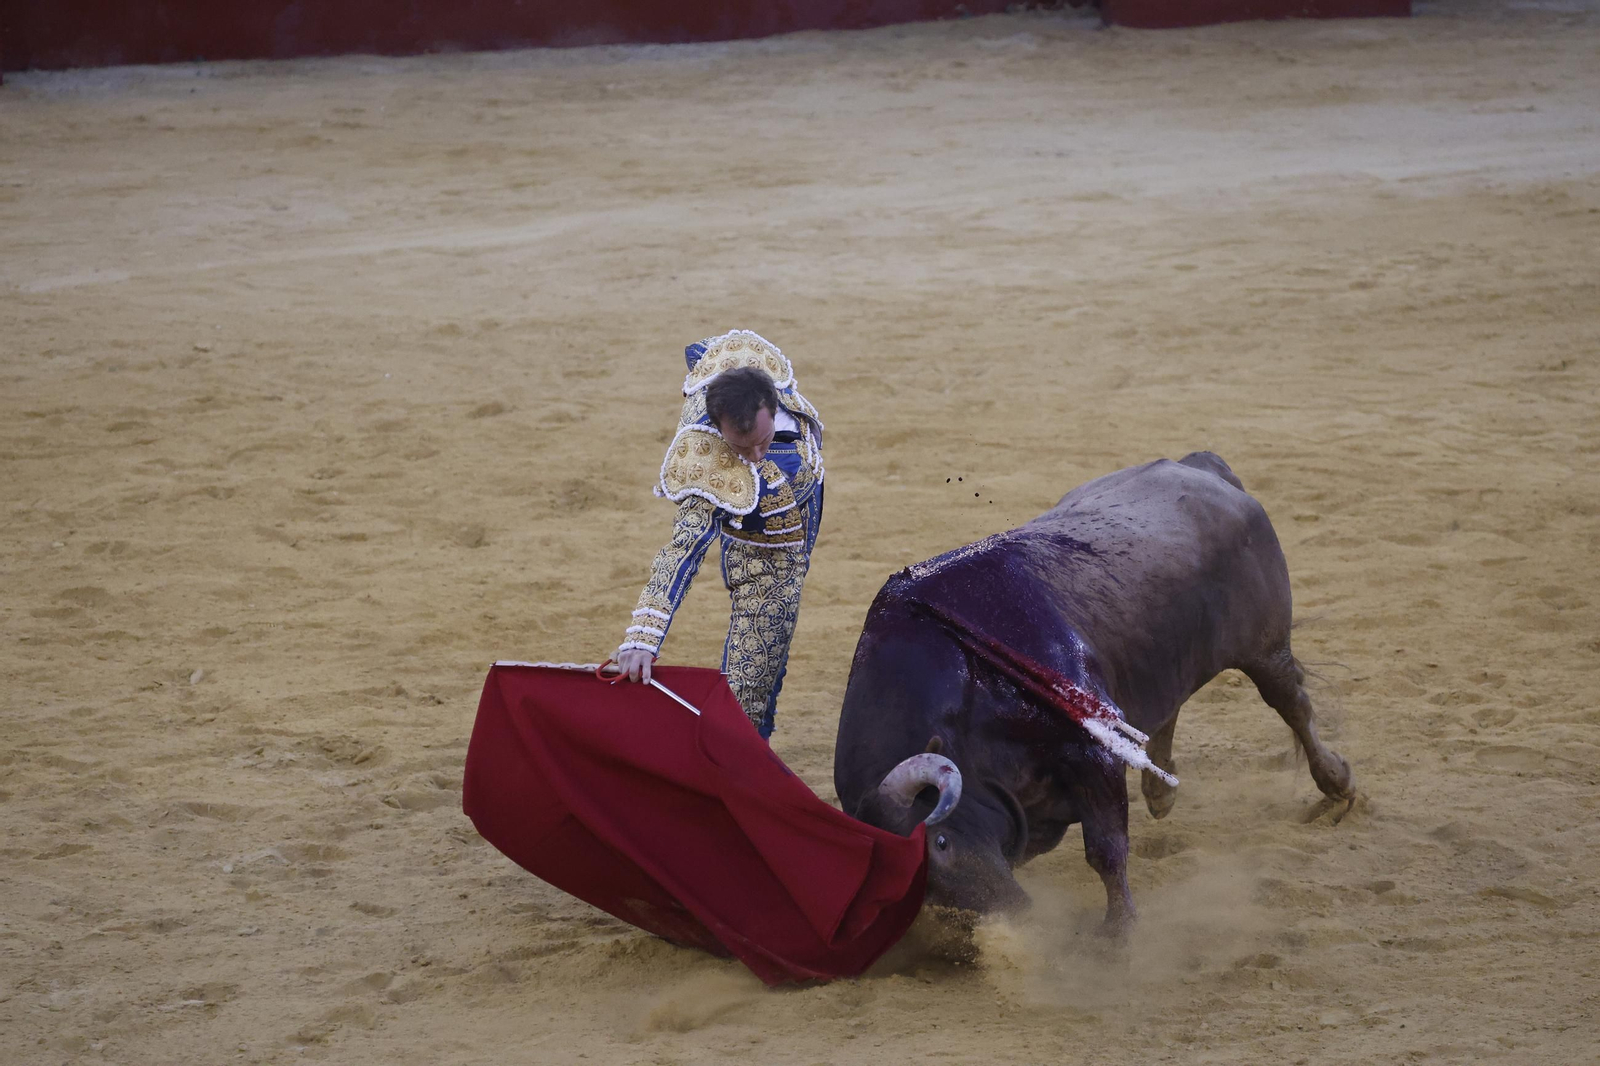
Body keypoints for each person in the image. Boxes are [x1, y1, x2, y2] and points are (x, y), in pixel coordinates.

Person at [615, 330, 824, 739]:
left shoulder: (760, 370)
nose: (754, 456)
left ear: (771, 401)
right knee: (746, 706)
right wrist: (642, 638)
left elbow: (704, 350)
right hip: (763, 562)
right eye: (740, 448)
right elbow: (682, 552)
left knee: (770, 673)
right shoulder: (710, 467)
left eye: (762, 442)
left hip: (798, 530)